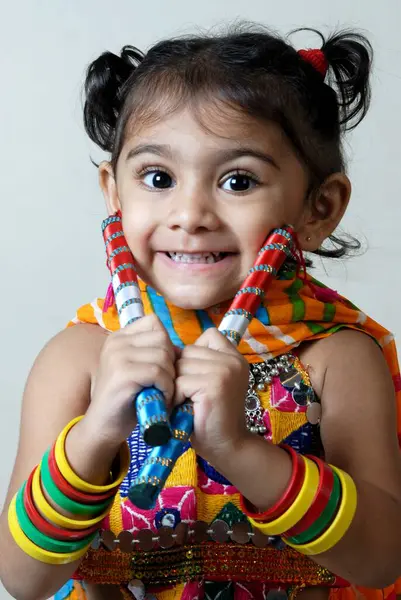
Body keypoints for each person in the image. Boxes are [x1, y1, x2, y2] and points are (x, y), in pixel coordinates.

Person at [1, 22, 401, 600]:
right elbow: (23, 579)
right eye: (158, 177)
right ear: (114, 192)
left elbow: (381, 560)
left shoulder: (336, 358)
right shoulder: (80, 358)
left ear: (319, 208)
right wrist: (94, 436)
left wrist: (239, 451)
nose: (189, 213)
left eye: (238, 181)